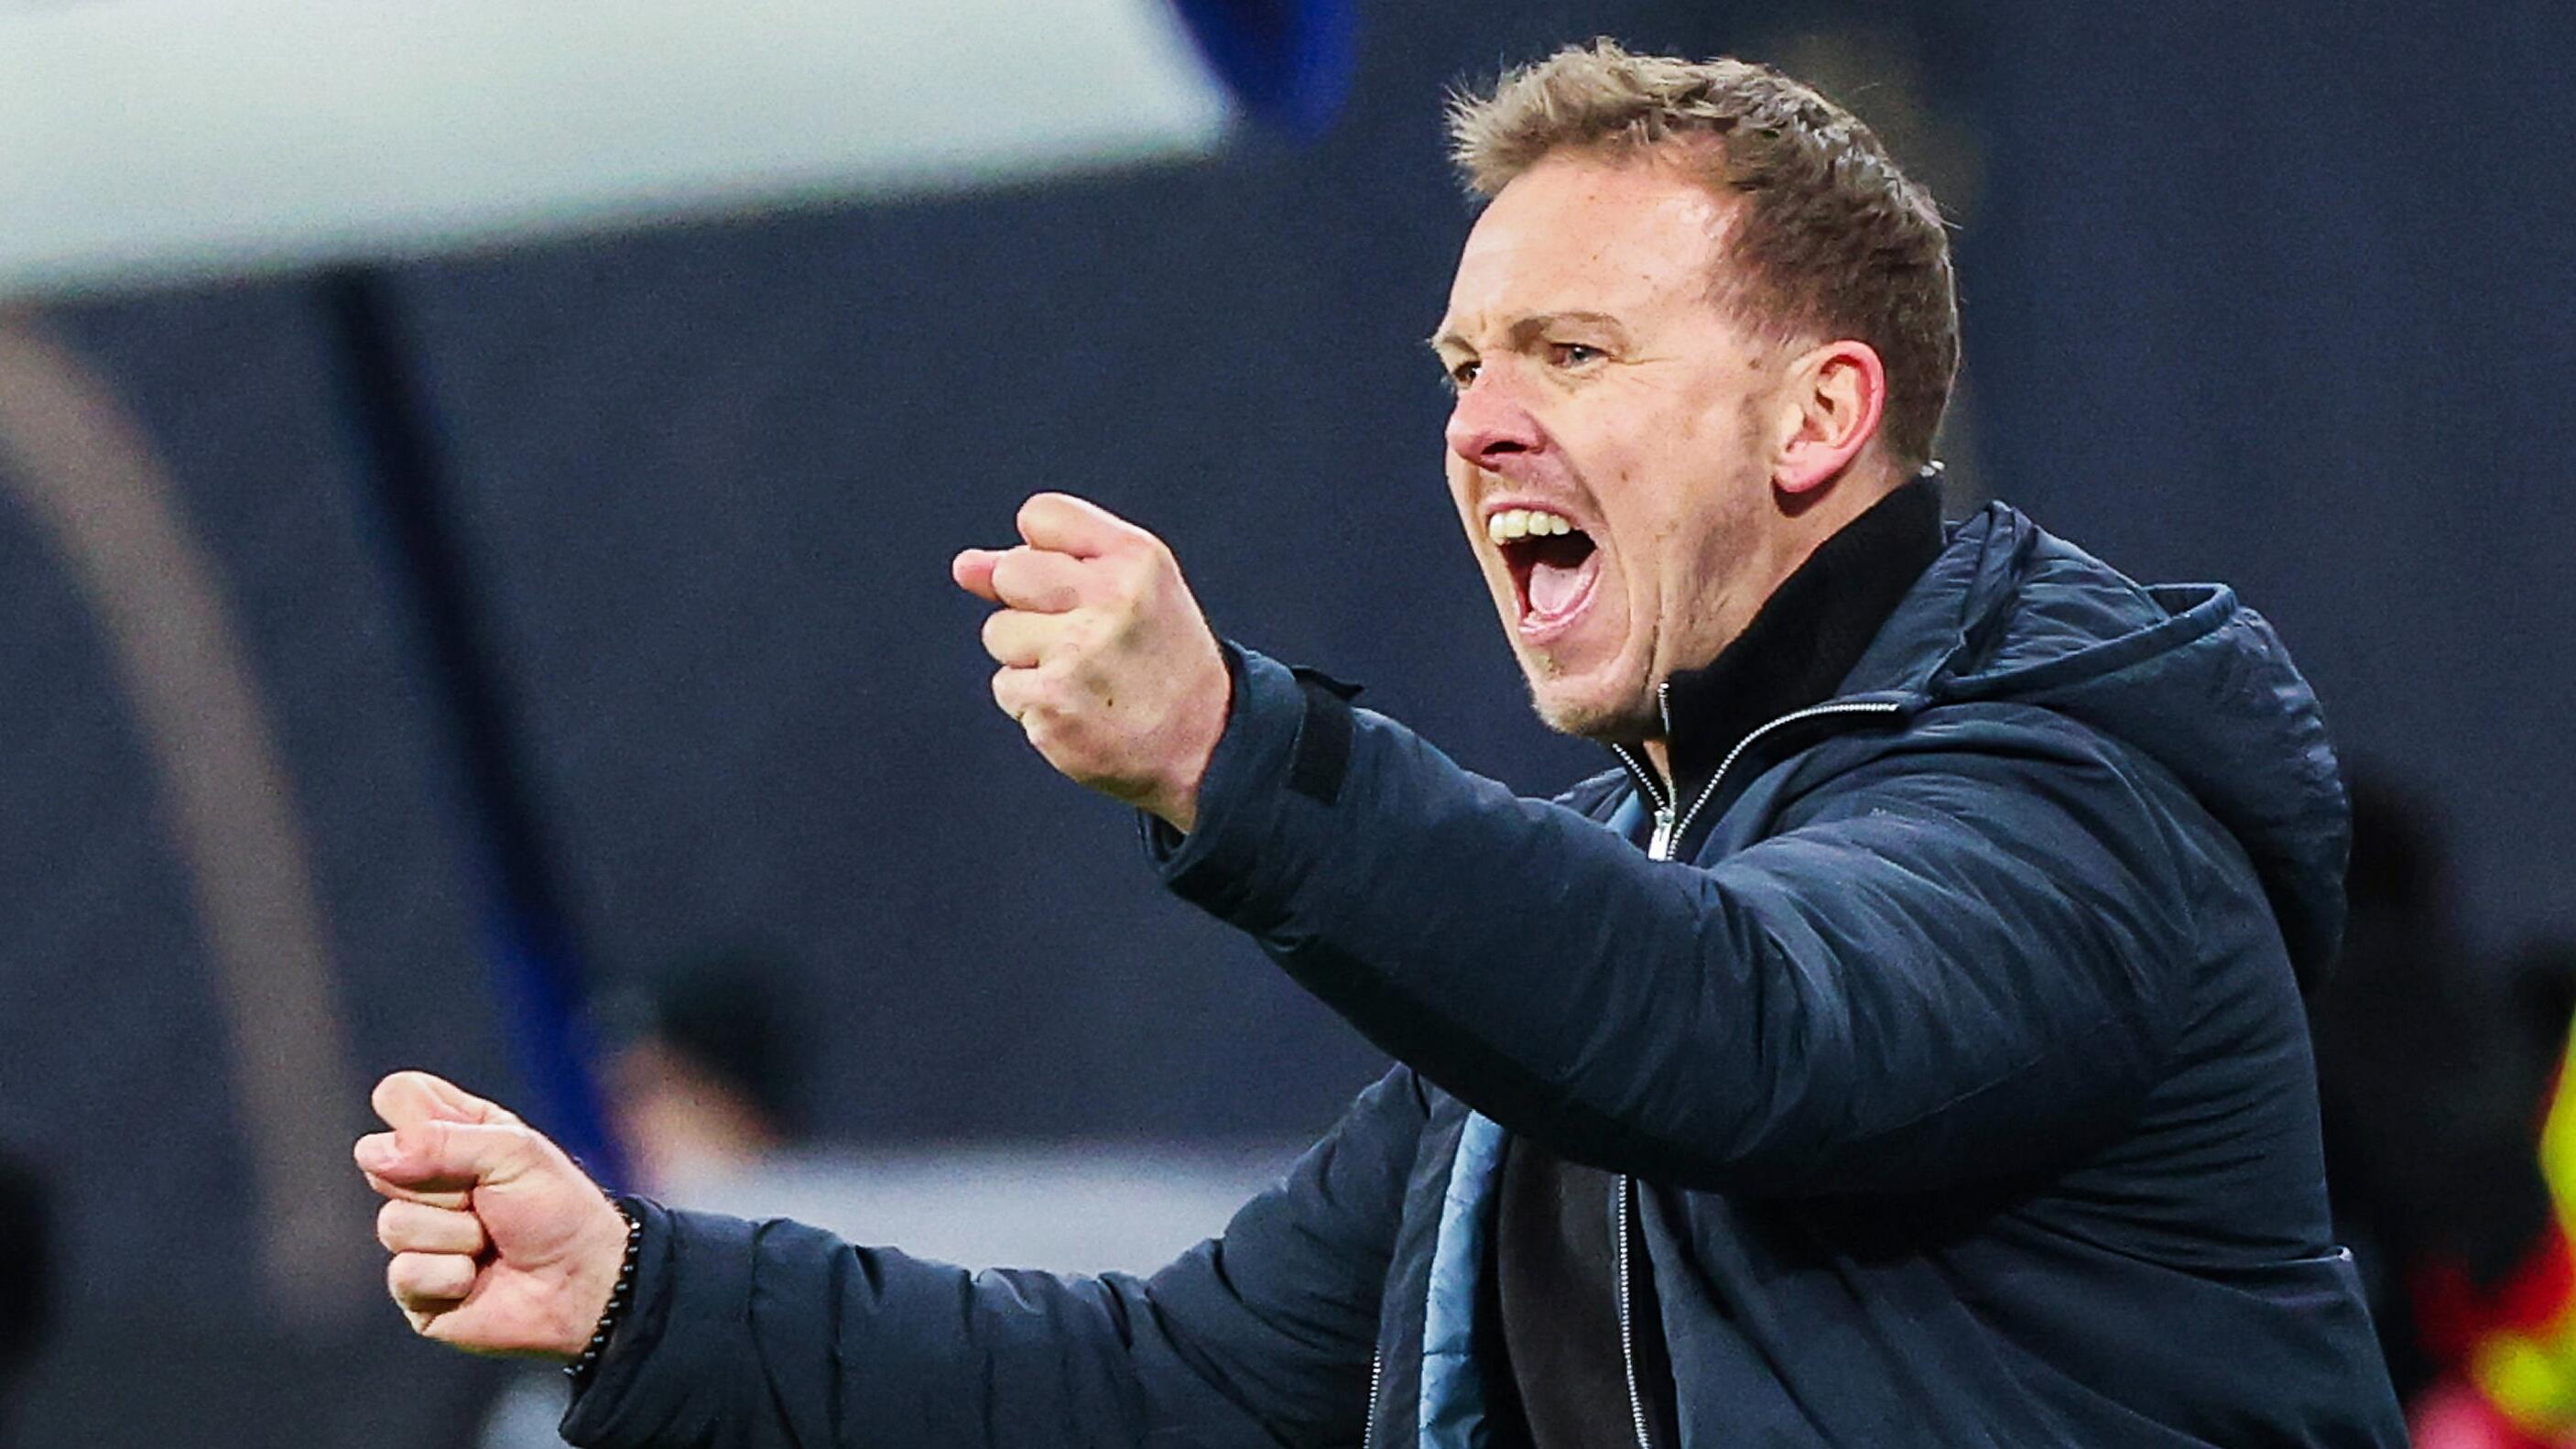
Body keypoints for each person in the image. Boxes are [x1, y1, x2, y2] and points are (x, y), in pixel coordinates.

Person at [356, 41, 2407, 1445]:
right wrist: (641, 1297)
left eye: (1572, 351)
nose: (1482, 423)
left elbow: (1749, 1025)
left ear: (1817, 417)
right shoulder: (1608, 925)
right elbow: (1179, 1393)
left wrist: (1232, 748)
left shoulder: (2072, 809)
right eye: (1460, 363)